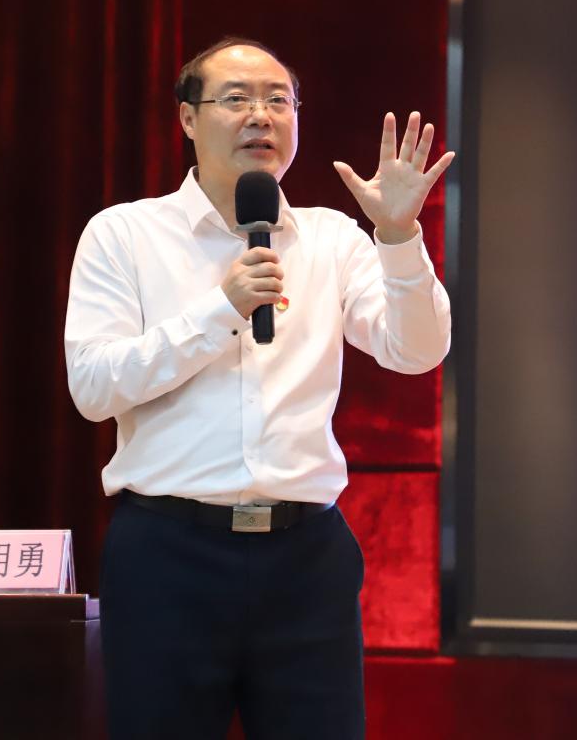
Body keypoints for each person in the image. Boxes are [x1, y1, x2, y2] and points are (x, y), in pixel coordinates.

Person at [64, 37, 453, 740]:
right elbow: (93, 386)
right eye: (236, 98)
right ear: (188, 118)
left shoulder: (332, 240)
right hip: (168, 556)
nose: (261, 116)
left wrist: (398, 236)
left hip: (306, 560)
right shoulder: (123, 235)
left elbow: (416, 351)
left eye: (279, 100)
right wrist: (220, 311)